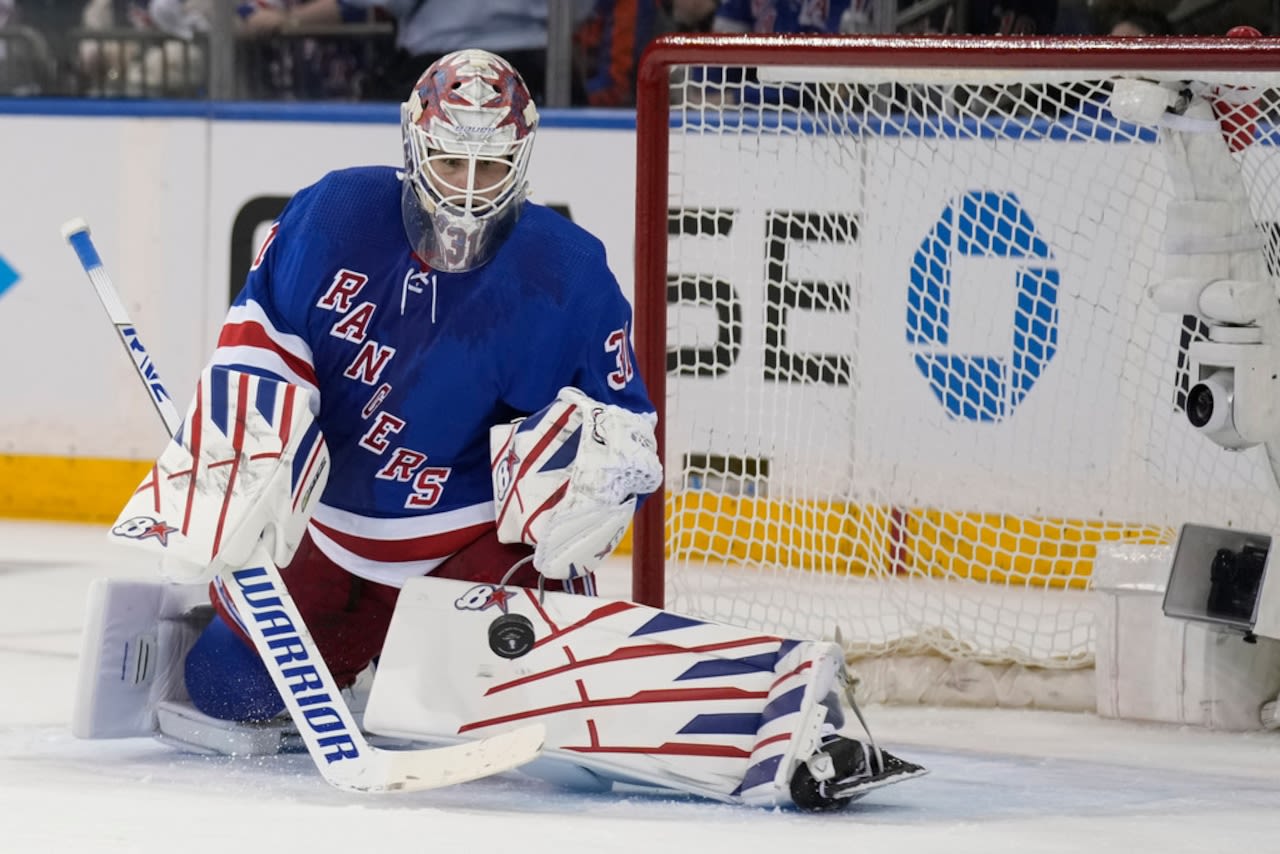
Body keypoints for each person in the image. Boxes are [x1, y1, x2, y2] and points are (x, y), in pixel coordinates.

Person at [86, 48, 924, 810]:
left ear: (524, 162)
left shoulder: (563, 270)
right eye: (452, 159)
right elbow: (259, 342)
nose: (469, 187)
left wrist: (589, 486)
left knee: (537, 708)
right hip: (330, 534)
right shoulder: (333, 215)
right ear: (413, 146)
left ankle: (762, 714)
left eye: (492, 166)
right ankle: (313, 642)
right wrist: (238, 460)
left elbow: (625, 426)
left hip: (468, 548)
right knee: (227, 692)